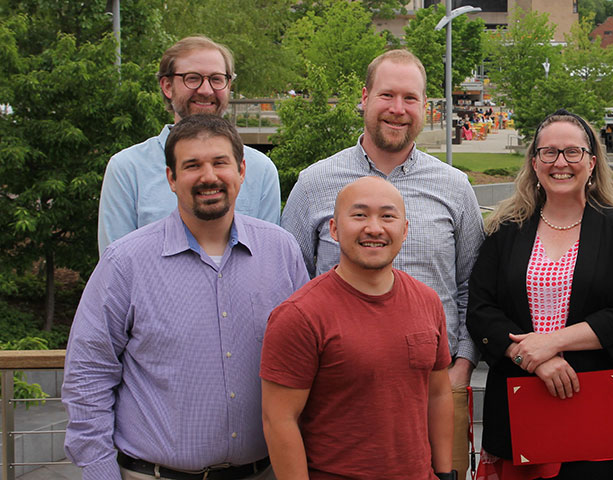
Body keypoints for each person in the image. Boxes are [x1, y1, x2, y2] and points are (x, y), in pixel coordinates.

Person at [63, 115, 308, 480]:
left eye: (220, 162)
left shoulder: (281, 251)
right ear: (171, 179)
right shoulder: (125, 262)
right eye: (192, 165)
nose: (209, 176)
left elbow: (307, 360)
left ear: (241, 171)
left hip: (265, 472)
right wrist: (99, 469)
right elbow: (89, 372)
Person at [281, 49, 484, 476]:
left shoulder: (455, 187)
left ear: (425, 106)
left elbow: (472, 285)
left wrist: (460, 365)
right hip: (339, 394)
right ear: (364, 98)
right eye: (386, 95)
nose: (398, 109)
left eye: (410, 98)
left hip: (438, 389)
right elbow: (291, 284)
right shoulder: (315, 184)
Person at [466, 109, 613, 479]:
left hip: (598, 411)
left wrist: (550, 343)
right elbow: (481, 310)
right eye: (549, 152)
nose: (560, 163)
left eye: (573, 152)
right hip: (521, 403)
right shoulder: (506, 230)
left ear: (592, 162)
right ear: (534, 163)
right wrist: (531, 357)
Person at [261, 177, 454, 479]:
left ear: (405, 230)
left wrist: (445, 473)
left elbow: (438, 394)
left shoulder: (427, 301)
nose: (374, 228)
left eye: (388, 216)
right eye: (359, 215)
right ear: (334, 230)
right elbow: (279, 419)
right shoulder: (299, 315)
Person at [98, 35, 280, 255]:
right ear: (167, 86)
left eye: (216, 79)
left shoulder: (261, 169)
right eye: (192, 78)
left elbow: (267, 260)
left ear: (228, 85)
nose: (205, 90)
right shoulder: (127, 169)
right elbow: (116, 268)